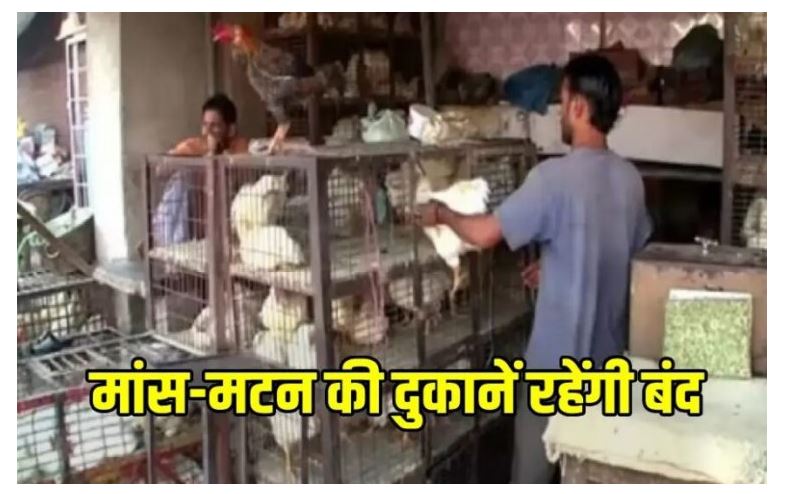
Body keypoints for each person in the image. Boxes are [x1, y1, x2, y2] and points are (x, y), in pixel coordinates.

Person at [416, 54, 652, 483]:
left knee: (532, 474)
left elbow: (485, 234)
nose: (560, 112)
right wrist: (560, 265)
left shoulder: (552, 178)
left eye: (562, 100)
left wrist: (442, 214)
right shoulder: (630, 180)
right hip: (607, 368)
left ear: (578, 106)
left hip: (554, 371)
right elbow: (626, 255)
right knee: (589, 472)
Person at [152, 94, 249, 246]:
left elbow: (243, 179)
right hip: (193, 226)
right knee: (182, 179)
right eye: (205, 125)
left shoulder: (239, 147)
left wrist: (216, 156)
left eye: (215, 126)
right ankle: (173, 244)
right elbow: (160, 171)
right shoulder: (194, 146)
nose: (207, 132)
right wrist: (198, 160)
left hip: (226, 223)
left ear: (230, 129)